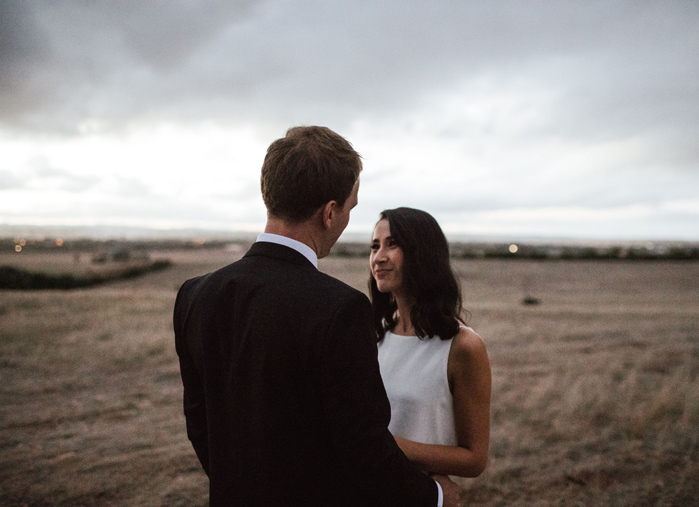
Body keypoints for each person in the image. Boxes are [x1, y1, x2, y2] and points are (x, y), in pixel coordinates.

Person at [174, 127, 459, 507]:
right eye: (349, 209)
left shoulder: (195, 295)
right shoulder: (339, 309)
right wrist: (436, 497)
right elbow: (364, 449)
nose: (345, 222)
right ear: (329, 212)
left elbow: (200, 424)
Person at [370, 207, 491, 478]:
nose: (379, 257)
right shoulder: (373, 335)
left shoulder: (462, 346)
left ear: (422, 253)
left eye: (392, 244)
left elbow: (474, 459)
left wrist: (383, 446)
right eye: (374, 246)